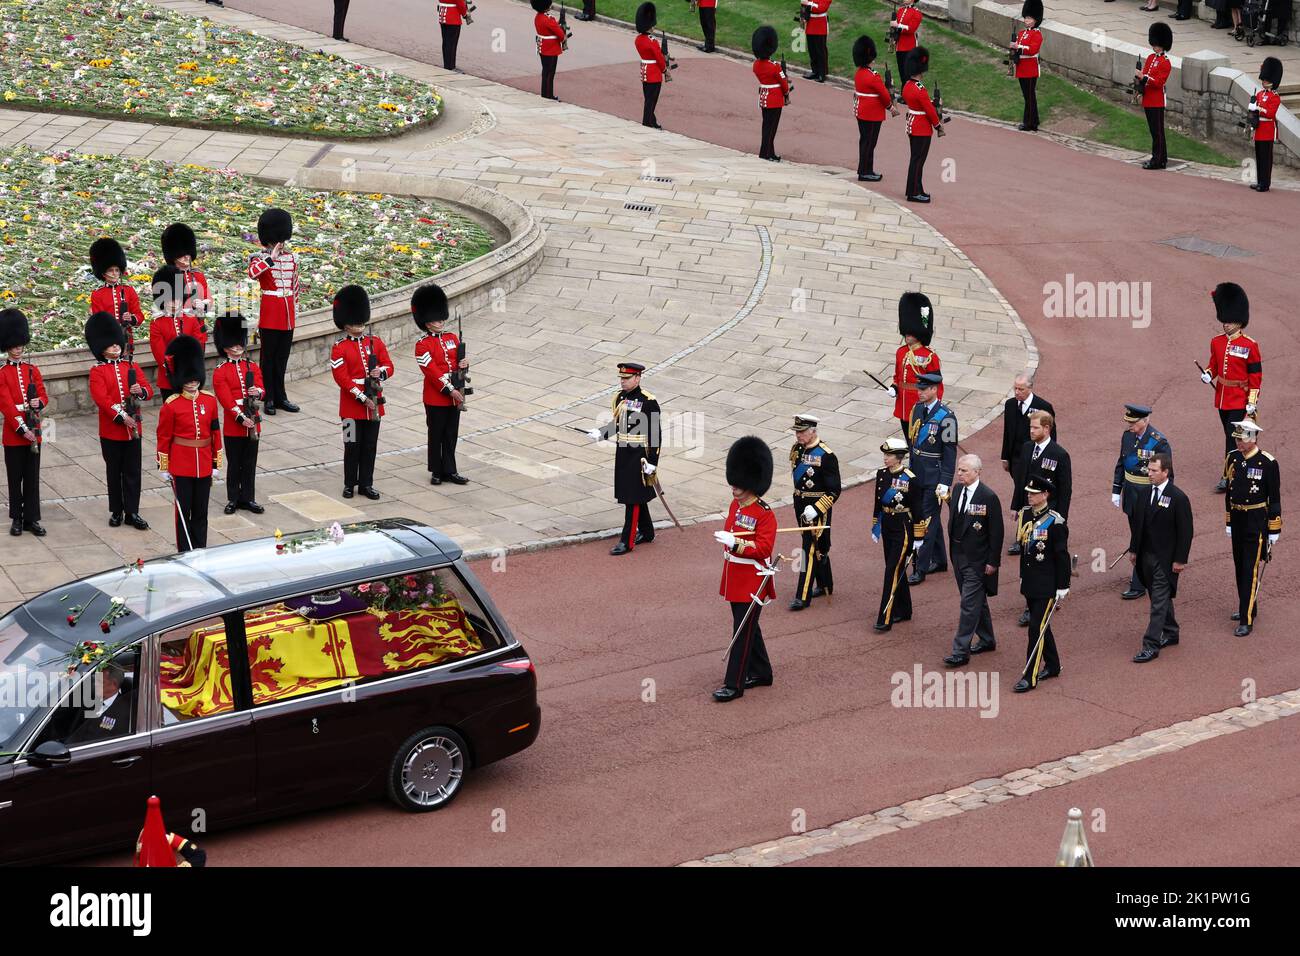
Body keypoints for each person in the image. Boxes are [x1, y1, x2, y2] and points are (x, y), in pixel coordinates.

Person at [711, 435, 777, 702]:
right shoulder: (735, 506)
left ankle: (734, 684)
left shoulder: (765, 514)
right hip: (734, 576)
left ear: (752, 483)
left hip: (752, 581)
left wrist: (736, 544)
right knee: (748, 627)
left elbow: (763, 549)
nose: (734, 488)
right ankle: (762, 672)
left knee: (741, 632)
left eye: (739, 484)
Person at [86, 310, 152, 531]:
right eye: (111, 344)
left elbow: (148, 390)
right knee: (114, 472)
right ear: (101, 347)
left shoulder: (131, 367)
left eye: (117, 344)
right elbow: (102, 399)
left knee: (133, 471)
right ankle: (116, 510)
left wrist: (140, 390)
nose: (115, 347)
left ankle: (132, 511)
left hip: (134, 429)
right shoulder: (97, 372)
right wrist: (122, 416)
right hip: (112, 430)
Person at [586, 362, 660, 555]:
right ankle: (647, 531)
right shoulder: (619, 397)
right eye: (621, 378)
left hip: (640, 455)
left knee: (632, 498)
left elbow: (655, 434)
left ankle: (626, 541)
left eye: (627, 378)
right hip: (623, 452)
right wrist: (600, 433)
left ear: (637, 378)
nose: (623, 382)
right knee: (631, 493)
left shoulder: (648, 401)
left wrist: (652, 462)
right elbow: (617, 424)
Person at [157, 335, 221, 553]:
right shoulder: (171, 405)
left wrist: (215, 463)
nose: (193, 381)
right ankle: (185, 551)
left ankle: (201, 549)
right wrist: (164, 466)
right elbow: (163, 437)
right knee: (183, 512)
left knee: (201, 511)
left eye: (195, 378)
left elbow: (215, 433)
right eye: (188, 378)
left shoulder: (209, 400)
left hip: (203, 464)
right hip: (181, 465)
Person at [330, 285, 392, 501]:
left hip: (375, 405)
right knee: (351, 446)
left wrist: (380, 372)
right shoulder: (339, 347)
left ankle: (366, 483)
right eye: (354, 322)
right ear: (345, 324)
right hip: (351, 407)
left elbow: (389, 366)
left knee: (369, 447)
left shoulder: (375, 342)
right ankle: (349, 484)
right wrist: (361, 396)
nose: (359, 325)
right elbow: (342, 378)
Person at [1128, 452, 1192, 663]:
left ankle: (1151, 645)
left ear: (1166, 472)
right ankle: (1171, 631)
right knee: (1158, 597)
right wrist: (1134, 550)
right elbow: (1138, 525)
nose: (1150, 474)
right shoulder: (1145, 493)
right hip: (1146, 556)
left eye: (1155, 470)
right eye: (1149, 469)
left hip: (1165, 559)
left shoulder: (1178, 498)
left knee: (1157, 602)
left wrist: (1180, 560)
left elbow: (1185, 532)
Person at [943, 454, 1003, 668]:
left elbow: (997, 533)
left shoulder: (988, 497)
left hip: (977, 560)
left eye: (965, 471)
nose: (959, 474)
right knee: (977, 601)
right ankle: (987, 639)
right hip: (958, 554)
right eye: (959, 470)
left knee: (968, 604)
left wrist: (992, 562)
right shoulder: (958, 490)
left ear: (978, 472)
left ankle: (960, 651)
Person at [1223, 419, 1280, 637]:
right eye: (1237, 438)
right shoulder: (1232, 458)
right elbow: (1229, 493)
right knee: (1239, 566)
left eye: (1242, 439)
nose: (1238, 442)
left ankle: (1246, 619)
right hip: (1237, 518)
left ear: (1253, 438)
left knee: (1250, 569)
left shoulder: (1268, 463)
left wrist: (1274, 528)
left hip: (1256, 520)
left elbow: (1274, 498)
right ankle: (1247, 606)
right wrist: (1228, 521)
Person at [1202, 282, 1260, 492]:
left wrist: (1252, 403)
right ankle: (1242, 472)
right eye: (1224, 320)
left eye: (1230, 321)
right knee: (1233, 438)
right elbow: (1214, 365)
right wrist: (1208, 374)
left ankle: (1228, 477)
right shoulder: (1216, 342)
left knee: (1232, 438)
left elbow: (1255, 376)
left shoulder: (1250, 345)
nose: (1226, 324)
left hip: (1240, 399)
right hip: (1223, 399)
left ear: (1240, 321)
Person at [1013, 475, 1069, 692]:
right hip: (1030, 581)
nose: (1029, 495)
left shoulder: (1055, 522)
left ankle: (1030, 676)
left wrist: (1063, 587)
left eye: (1034, 493)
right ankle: (1053, 665)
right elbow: (1024, 549)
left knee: (1035, 628)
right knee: (1043, 625)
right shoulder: (1025, 514)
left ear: (1045, 495)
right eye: (1028, 492)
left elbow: (1062, 556)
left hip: (1048, 584)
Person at [1112, 403, 1171, 600]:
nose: (1129, 425)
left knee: (1142, 538)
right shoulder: (1127, 435)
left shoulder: (1158, 442)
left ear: (1145, 421)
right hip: (1131, 492)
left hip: (1148, 494)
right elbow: (1121, 463)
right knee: (1137, 535)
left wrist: (1162, 499)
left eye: (1133, 422)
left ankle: (1138, 582)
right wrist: (1116, 489)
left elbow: (1168, 476)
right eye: (1128, 421)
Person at [412, 283, 469, 486]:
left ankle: (450, 470)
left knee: (451, 434)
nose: (440, 320)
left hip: (455, 394)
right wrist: (450, 389)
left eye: (441, 316)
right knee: (436, 435)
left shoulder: (452, 338)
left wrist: (464, 364)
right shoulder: (422, 345)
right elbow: (432, 372)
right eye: (436, 318)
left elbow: (456, 364)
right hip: (436, 397)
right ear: (427, 322)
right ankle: (436, 470)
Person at [211, 311, 265, 516]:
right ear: (225, 347)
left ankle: (248, 498)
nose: (237, 348)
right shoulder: (220, 371)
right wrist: (241, 418)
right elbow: (225, 400)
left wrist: (258, 392)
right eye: (233, 345)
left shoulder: (251, 366)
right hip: (235, 425)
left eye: (239, 344)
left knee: (250, 463)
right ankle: (233, 498)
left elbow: (261, 386)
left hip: (254, 423)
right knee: (234, 464)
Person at [0, 309, 47, 537]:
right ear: (7, 346)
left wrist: (38, 403)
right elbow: (6, 405)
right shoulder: (2, 374)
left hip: (35, 430)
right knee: (15, 478)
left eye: (20, 345)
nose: (18, 348)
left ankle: (31, 519)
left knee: (32, 478)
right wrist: (22, 428)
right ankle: (17, 519)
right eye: (14, 345)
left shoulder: (32, 370)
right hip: (14, 434)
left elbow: (43, 396)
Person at [872, 437, 927, 632]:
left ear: (899, 458)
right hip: (887, 525)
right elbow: (878, 503)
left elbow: (918, 509)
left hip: (903, 528)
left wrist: (919, 537)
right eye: (885, 455)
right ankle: (904, 609)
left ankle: (885, 616)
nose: (885, 458)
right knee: (895, 567)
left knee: (892, 571)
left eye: (889, 455)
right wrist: (876, 524)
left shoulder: (911, 479)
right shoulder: (881, 474)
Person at [907, 370, 956, 585]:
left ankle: (921, 567)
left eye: (924, 389)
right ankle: (940, 560)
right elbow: (913, 443)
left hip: (934, 475)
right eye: (919, 388)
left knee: (926, 519)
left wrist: (945, 481)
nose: (920, 392)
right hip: (917, 471)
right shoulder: (917, 409)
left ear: (935, 390)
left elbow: (949, 452)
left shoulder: (946, 416)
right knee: (931, 517)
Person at [248, 208, 299, 415]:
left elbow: (295, 287)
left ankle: (281, 396)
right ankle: (268, 397)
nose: (281, 244)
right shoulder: (259, 258)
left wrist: (295, 311)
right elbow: (253, 274)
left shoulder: (292, 258)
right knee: (267, 359)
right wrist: (272, 256)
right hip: (270, 312)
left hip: (287, 315)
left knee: (281, 359)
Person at [788, 414, 840, 611]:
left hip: (818, 507)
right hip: (800, 504)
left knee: (808, 549)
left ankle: (802, 595)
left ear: (813, 431)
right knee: (819, 547)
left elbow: (834, 490)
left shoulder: (827, 455)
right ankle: (826, 583)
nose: (798, 436)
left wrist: (817, 508)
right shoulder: (797, 449)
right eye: (797, 432)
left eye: (801, 432)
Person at [1000, 371, 1055, 553]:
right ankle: (1024, 531)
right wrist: (1005, 456)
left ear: (1030, 388)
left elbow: (1052, 437)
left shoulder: (1043, 407)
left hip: (1037, 460)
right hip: (1017, 460)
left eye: (1021, 389)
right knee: (1021, 492)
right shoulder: (1010, 405)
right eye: (1015, 388)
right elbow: (1007, 433)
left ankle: (1027, 534)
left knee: (1031, 495)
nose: (1017, 392)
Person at [149, 265, 206, 400]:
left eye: (177, 300)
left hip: (191, 376)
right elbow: (160, 352)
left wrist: (191, 368)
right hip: (169, 377)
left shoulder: (191, 319)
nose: (174, 304)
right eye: (170, 300)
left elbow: (198, 343)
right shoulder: (157, 323)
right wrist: (176, 371)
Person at [889, 291, 942, 439]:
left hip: (919, 403)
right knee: (908, 439)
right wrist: (894, 387)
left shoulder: (929, 356)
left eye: (910, 333)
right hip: (903, 405)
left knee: (920, 440)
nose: (907, 335)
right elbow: (898, 376)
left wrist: (933, 408)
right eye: (906, 333)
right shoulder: (901, 352)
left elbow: (937, 385)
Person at [88, 237, 145, 361]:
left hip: (126, 340)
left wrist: (132, 318)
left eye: (117, 270)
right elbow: (99, 321)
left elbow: (140, 316)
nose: (114, 273)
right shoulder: (97, 294)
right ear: (103, 273)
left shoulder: (129, 291)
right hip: (108, 342)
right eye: (110, 270)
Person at [852, 35, 897, 182]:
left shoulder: (859, 73)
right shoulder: (873, 76)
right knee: (870, 143)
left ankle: (863, 169)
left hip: (861, 112)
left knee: (865, 141)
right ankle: (866, 171)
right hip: (872, 114)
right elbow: (884, 95)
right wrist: (891, 107)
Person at [901, 46, 942, 203]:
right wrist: (938, 125)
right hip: (922, 128)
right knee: (918, 161)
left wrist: (931, 103)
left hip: (912, 124)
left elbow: (920, 104)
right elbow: (930, 112)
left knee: (915, 160)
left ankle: (915, 189)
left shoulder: (908, 86)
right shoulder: (920, 89)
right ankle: (914, 192)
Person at [161, 222, 210, 335]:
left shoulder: (198, 275)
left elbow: (207, 297)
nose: (187, 256)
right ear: (174, 256)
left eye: (188, 253)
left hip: (198, 329)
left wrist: (204, 305)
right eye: (182, 254)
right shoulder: (167, 278)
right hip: (179, 330)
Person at [66, 664, 133, 744]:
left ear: (114, 684)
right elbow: (72, 727)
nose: (95, 684)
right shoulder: (89, 700)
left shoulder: (125, 712)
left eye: (100, 681)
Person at [1136, 23, 1172, 171]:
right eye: (1154, 44)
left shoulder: (1165, 62)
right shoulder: (1151, 57)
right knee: (1154, 131)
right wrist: (1139, 87)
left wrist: (1144, 78)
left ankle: (1157, 160)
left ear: (1163, 45)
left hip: (1157, 100)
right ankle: (1161, 158)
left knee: (1157, 132)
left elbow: (1158, 83)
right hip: (1148, 98)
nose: (1155, 47)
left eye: (1157, 44)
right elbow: (1145, 75)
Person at [752, 26, 790, 162]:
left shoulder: (756, 65)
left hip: (764, 97)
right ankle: (765, 152)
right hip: (775, 99)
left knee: (766, 126)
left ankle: (769, 152)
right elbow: (784, 84)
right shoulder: (775, 66)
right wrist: (786, 93)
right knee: (771, 128)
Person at [1010, 1, 1043, 132]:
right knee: (1027, 97)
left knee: (1030, 97)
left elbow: (1033, 50)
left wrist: (1019, 47)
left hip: (1030, 69)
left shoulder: (1037, 34)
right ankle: (1032, 121)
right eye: (1026, 17)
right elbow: (1018, 46)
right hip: (1022, 68)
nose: (1026, 20)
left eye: (1029, 18)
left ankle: (1030, 123)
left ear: (1036, 20)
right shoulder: (1022, 33)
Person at [1250, 57, 1283, 193]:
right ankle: (1260, 181)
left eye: (1266, 79)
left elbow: (1270, 113)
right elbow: (1254, 110)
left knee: (1266, 158)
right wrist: (1252, 105)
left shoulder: (1275, 97)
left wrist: (1259, 109)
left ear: (1272, 81)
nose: (1264, 81)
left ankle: (1265, 183)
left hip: (1268, 130)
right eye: (1263, 79)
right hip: (1259, 129)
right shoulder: (1259, 94)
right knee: (1259, 157)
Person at [635, 3, 668, 129]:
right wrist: (665, 69)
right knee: (652, 100)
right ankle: (647, 121)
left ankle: (651, 120)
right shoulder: (652, 41)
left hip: (644, 72)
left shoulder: (638, 40)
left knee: (648, 98)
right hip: (654, 73)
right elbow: (659, 58)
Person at [533, 0, 566, 102]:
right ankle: (549, 95)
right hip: (551, 48)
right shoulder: (549, 19)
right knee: (550, 73)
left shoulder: (538, 17)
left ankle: (544, 93)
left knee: (545, 71)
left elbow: (551, 28)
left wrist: (559, 22)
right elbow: (561, 36)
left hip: (542, 46)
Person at [891, 0, 922, 81]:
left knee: (908, 77)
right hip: (899, 47)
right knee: (902, 76)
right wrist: (891, 41)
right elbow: (894, 29)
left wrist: (897, 25)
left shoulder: (917, 13)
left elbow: (911, 29)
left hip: (910, 48)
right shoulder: (900, 10)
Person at [801, 0, 832, 82]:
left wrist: (808, 4)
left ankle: (822, 73)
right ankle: (815, 71)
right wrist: (803, 16)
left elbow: (821, 8)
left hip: (820, 24)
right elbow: (804, 5)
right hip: (810, 23)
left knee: (820, 51)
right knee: (812, 50)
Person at [438, 0, 470, 72]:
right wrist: (465, 14)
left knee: (446, 42)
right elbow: (460, 3)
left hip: (443, 14)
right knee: (452, 43)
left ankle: (446, 65)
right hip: (453, 17)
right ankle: (451, 67)